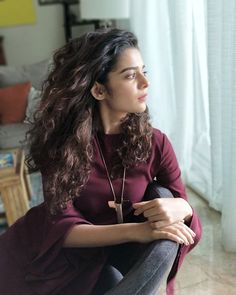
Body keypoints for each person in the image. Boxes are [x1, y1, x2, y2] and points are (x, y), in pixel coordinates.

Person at [0, 29, 201, 295]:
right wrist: (137, 231)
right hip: (49, 261)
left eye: (144, 71)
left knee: (163, 213)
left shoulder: (156, 143)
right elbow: (63, 230)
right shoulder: (64, 145)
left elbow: (186, 222)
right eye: (130, 75)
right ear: (98, 89)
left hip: (108, 259)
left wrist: (182, 205)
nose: (145, 82)